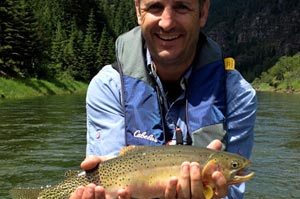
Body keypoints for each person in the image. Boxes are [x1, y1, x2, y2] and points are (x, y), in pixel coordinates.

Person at [70, 0, 257, 198]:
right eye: (155, 7)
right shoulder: (108, 87)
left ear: (203, 12)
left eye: (181, 7)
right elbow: (109, 166)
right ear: (138, 11)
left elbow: (232, 194)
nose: (166, 23)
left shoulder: (237, 95)